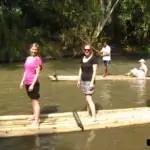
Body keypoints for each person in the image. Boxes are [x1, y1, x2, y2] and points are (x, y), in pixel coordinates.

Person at [20, 43, 43, 127]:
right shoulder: (28, 58)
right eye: (33, 49)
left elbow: (37, 74)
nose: (34, 51)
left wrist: (32, 85)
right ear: (30, 49)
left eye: (36, 49)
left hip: (33, 83)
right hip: (27, 82)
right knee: (32, 100)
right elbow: (26, 71)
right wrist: (22, 81)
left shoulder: (38, 59)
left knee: (35, 101)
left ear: (38, 51)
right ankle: (35, 116)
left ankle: (37, 121)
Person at [77, 44, 98, 121]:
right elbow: (80, 69)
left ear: (90, 50)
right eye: (85, 49)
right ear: (83, 50)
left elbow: (95, 71)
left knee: (89, 98)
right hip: (83, 80)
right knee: (86, 97)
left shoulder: (93, 59)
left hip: (89, 81)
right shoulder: (82, 58)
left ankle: (94, 116)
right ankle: (87, 112)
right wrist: (78, 80)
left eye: (88, 50)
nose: (86, 51)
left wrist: (92, 82)